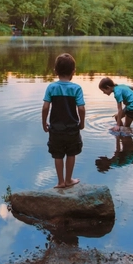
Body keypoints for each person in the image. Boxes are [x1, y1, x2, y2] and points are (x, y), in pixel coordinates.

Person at [42, 53, 85, 188]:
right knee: (71, 153)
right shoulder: (76, 88)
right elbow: (81, 109)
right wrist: (82, 123)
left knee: (58, 154)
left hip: (55, 129)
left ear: (55, 71)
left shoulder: (51, 88)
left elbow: (45, 107)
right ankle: (68, 180)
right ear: (73, 72)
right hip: (72, 128)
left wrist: (44, 123)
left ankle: (60, 182)